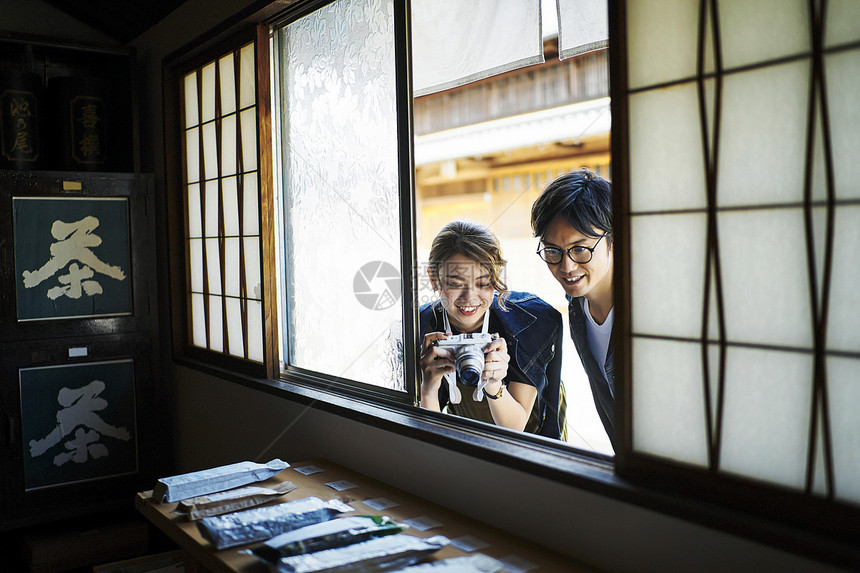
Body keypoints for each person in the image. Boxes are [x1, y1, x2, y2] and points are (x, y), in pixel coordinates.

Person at [419, 220, 566, 439]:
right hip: (467, 432)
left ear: (496, 279)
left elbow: (515, 427)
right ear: (434, 278)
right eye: (456, 284)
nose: (469, 298)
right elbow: (429, 435)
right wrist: (428, 388)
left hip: (531, 434)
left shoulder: (528, 323)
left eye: (483, 283)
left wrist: (494, 382)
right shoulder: (424, 326)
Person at [530, 168, 615, 450]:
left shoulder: (653, 309)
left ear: (612, 240)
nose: (566, 267)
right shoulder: (577, 305)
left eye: (580, 249)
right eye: (553, 251)